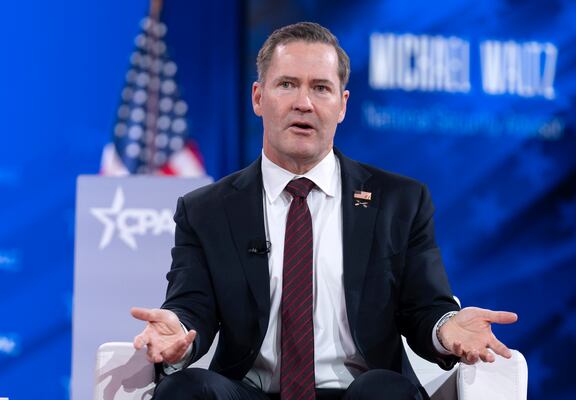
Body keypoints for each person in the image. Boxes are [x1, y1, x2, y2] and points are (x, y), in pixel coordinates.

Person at [131, 22, 518, 400]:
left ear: (342, 105)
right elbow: (191, 305)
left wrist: (446, 327)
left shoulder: (399, 201)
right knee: (187, 390)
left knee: (385, 391)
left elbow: (425, 305)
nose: (304, 102)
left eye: (320, 87)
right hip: (250, 390)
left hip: (361, 391)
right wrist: (177, 330)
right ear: (258, 97)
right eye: (287, 84)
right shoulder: (207, 210)